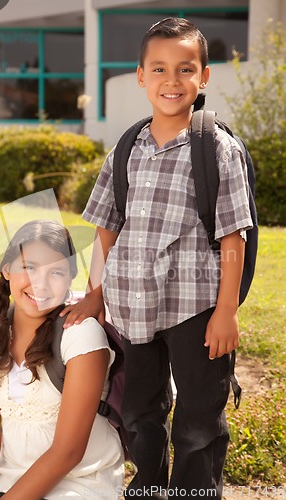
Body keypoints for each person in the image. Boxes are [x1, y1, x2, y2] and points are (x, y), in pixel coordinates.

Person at [61, 17, 253, 499]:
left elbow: (234, 236)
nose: (173, 80)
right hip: (133, 308)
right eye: (160, 69)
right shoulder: (126, 149)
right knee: (139, 413)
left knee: (199, 418)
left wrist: (226, 312)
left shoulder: (217, 149)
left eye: (186, 69)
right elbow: (107, 226)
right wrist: (96, 294)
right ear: (142, 75)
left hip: (195, 307)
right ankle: (148, 487)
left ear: (204, 77)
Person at [0, 219, 124, 500]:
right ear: (7, 269)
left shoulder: (80, 336)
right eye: (29, 267)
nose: (40, 284)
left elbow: (67, 452)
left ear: (69, 280)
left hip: (75, 485)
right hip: (5, 478)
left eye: (56, 272)